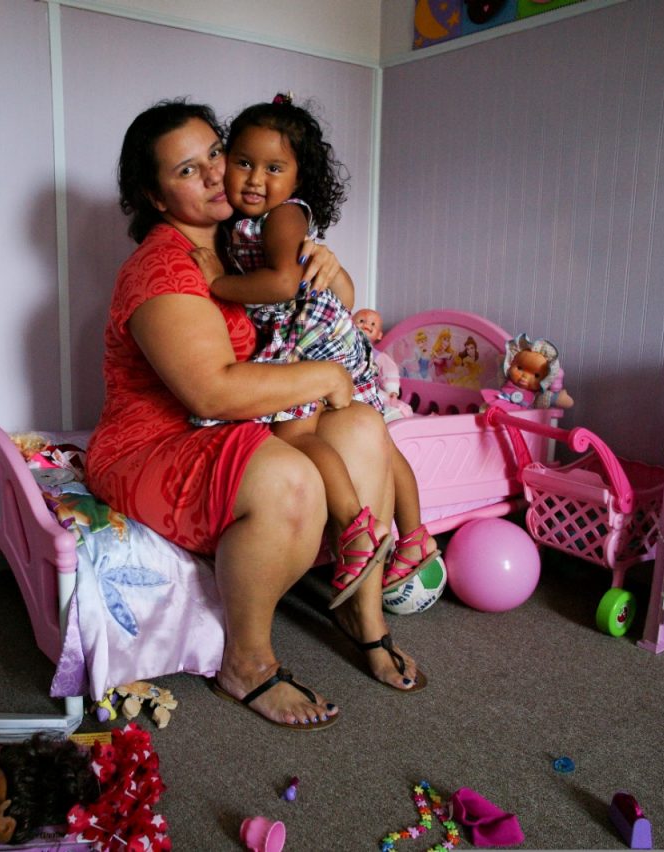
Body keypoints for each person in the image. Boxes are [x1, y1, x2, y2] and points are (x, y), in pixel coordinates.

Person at [86, 100, 422, 732]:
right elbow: (210, 394)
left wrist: (332, 272)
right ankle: (246, 661)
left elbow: (314, 303)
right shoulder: (162, 268)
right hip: (156, 441)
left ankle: (363, 614)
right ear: (156, 197)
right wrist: (328, 375)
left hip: (233, 423)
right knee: (287, 478)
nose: (217, 174)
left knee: (364, 428)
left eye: (215, 152)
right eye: (188, 170)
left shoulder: (240, 241)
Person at [189, 95, 442, 617]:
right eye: (243, 162)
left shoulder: (284, 216)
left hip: (310, 336)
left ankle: (357, 530)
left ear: (298, 179)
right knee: (377, 440)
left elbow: (283, 284)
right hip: (310, 332)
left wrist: (217, 281)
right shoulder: (242, 219)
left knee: (296, 437)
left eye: (274, 167)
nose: (256, 178)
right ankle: (414, 537)